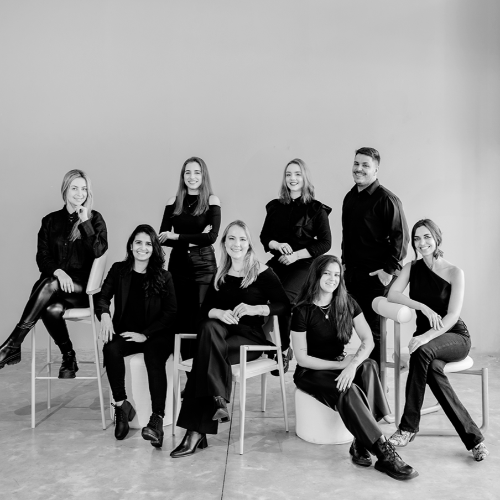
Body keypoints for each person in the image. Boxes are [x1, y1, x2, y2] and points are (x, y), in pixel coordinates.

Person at [291, 255, 418, 481]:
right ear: (316, 275)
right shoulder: (302, 310)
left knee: (368, 365)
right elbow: (302, 359)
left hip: (340, 364)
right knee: (348, 390)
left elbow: (368, 340)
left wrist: (351, 366)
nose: (332, 279)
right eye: (327, 273)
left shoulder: (347, 302)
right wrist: (341, 365)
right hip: (311, 372)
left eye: (336, 274)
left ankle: (361, 442)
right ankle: (384, 453)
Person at [170, 220, 290, 458]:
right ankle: (213, 402)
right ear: (224, 243)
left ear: (249, 244)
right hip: (221, 336)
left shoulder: (262, 272)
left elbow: (285, 305)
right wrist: (218, 312)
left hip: (249, 339)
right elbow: (204, 311)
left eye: (242, 239)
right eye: (232, 238)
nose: (237, 244)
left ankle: (198, 427)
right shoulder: (221, 274)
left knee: (204, 356)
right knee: (208, 326)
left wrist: (256, 309)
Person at [387, 219, 489, 461]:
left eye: (427, 237)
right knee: (431, 369)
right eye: (417, 238)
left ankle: (407, 428)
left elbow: (452, 315)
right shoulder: (411, 268)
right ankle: (475, 440)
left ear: (436, 238)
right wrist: (422, 306)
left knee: (421, 352)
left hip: (454, 336)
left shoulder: (454, 272)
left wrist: (425, 337)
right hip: (429, 342)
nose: (422, 243)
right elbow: (392, 294)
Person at [0, 170, 107, 377]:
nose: (80, 193)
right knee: (50, 308)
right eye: (74, 188)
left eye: (84, 189)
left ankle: (13, 344)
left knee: (50, 283)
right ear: (65, 190)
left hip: (83, 290)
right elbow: (42, 257)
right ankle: (69, 356)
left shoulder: (95, 219)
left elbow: (98, 252)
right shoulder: (49, 221)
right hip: (55, 286)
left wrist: (85, 222)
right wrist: (59, 272)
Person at [96, 224, 176, 446]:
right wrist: (104, 315)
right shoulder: (118, 270)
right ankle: (121, 405)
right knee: (111, 348)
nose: (143, 247)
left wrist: (146, 335)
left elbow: (171, 313)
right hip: (127, 333)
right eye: (138, 242)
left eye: (148, 244)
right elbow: (102, 297)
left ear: (154, 248)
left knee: (153, 356)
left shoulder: (164, 276)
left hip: (157, 334)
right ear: (131, 246)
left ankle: (157, 419)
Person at [260, 158, 331, 373]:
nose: (293, 178)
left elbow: (325, 243)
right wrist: (277, 245)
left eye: (297, 174)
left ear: (305, 177)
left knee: (285, 299)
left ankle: (282, 349)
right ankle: (261, 343)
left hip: (304, 264)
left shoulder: (316, 209)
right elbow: (265, 237)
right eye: (289, 174)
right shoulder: (275, 206)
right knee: (254, 291)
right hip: (278, 261)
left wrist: (296, 256)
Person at [341, 147, 409, 367]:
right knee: (352, 328)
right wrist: (343, 264)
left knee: (373, 331)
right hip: (352, 275)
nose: (359, 169)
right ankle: (359, 376)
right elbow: (347, 236)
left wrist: (388, 272)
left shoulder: (387, 199)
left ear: (376, 170)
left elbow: (401, 239)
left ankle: (376, 381)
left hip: (376, 277)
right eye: (356, 163)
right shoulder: (350, 197)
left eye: (365, 165)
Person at [159, 157, 221, 341]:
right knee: (178, 312)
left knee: (202, 312)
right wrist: (196, 238)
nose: (192, 177)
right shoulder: (173, 201)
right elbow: (163, 238)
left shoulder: (212, 200)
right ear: (182, 176)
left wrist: (177, 236)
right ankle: (183, 357)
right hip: (178, 264)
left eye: (197, 172)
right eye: (188, 172)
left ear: (203, 175)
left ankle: (202, 356)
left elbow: (211, 237)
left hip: (204, 264)